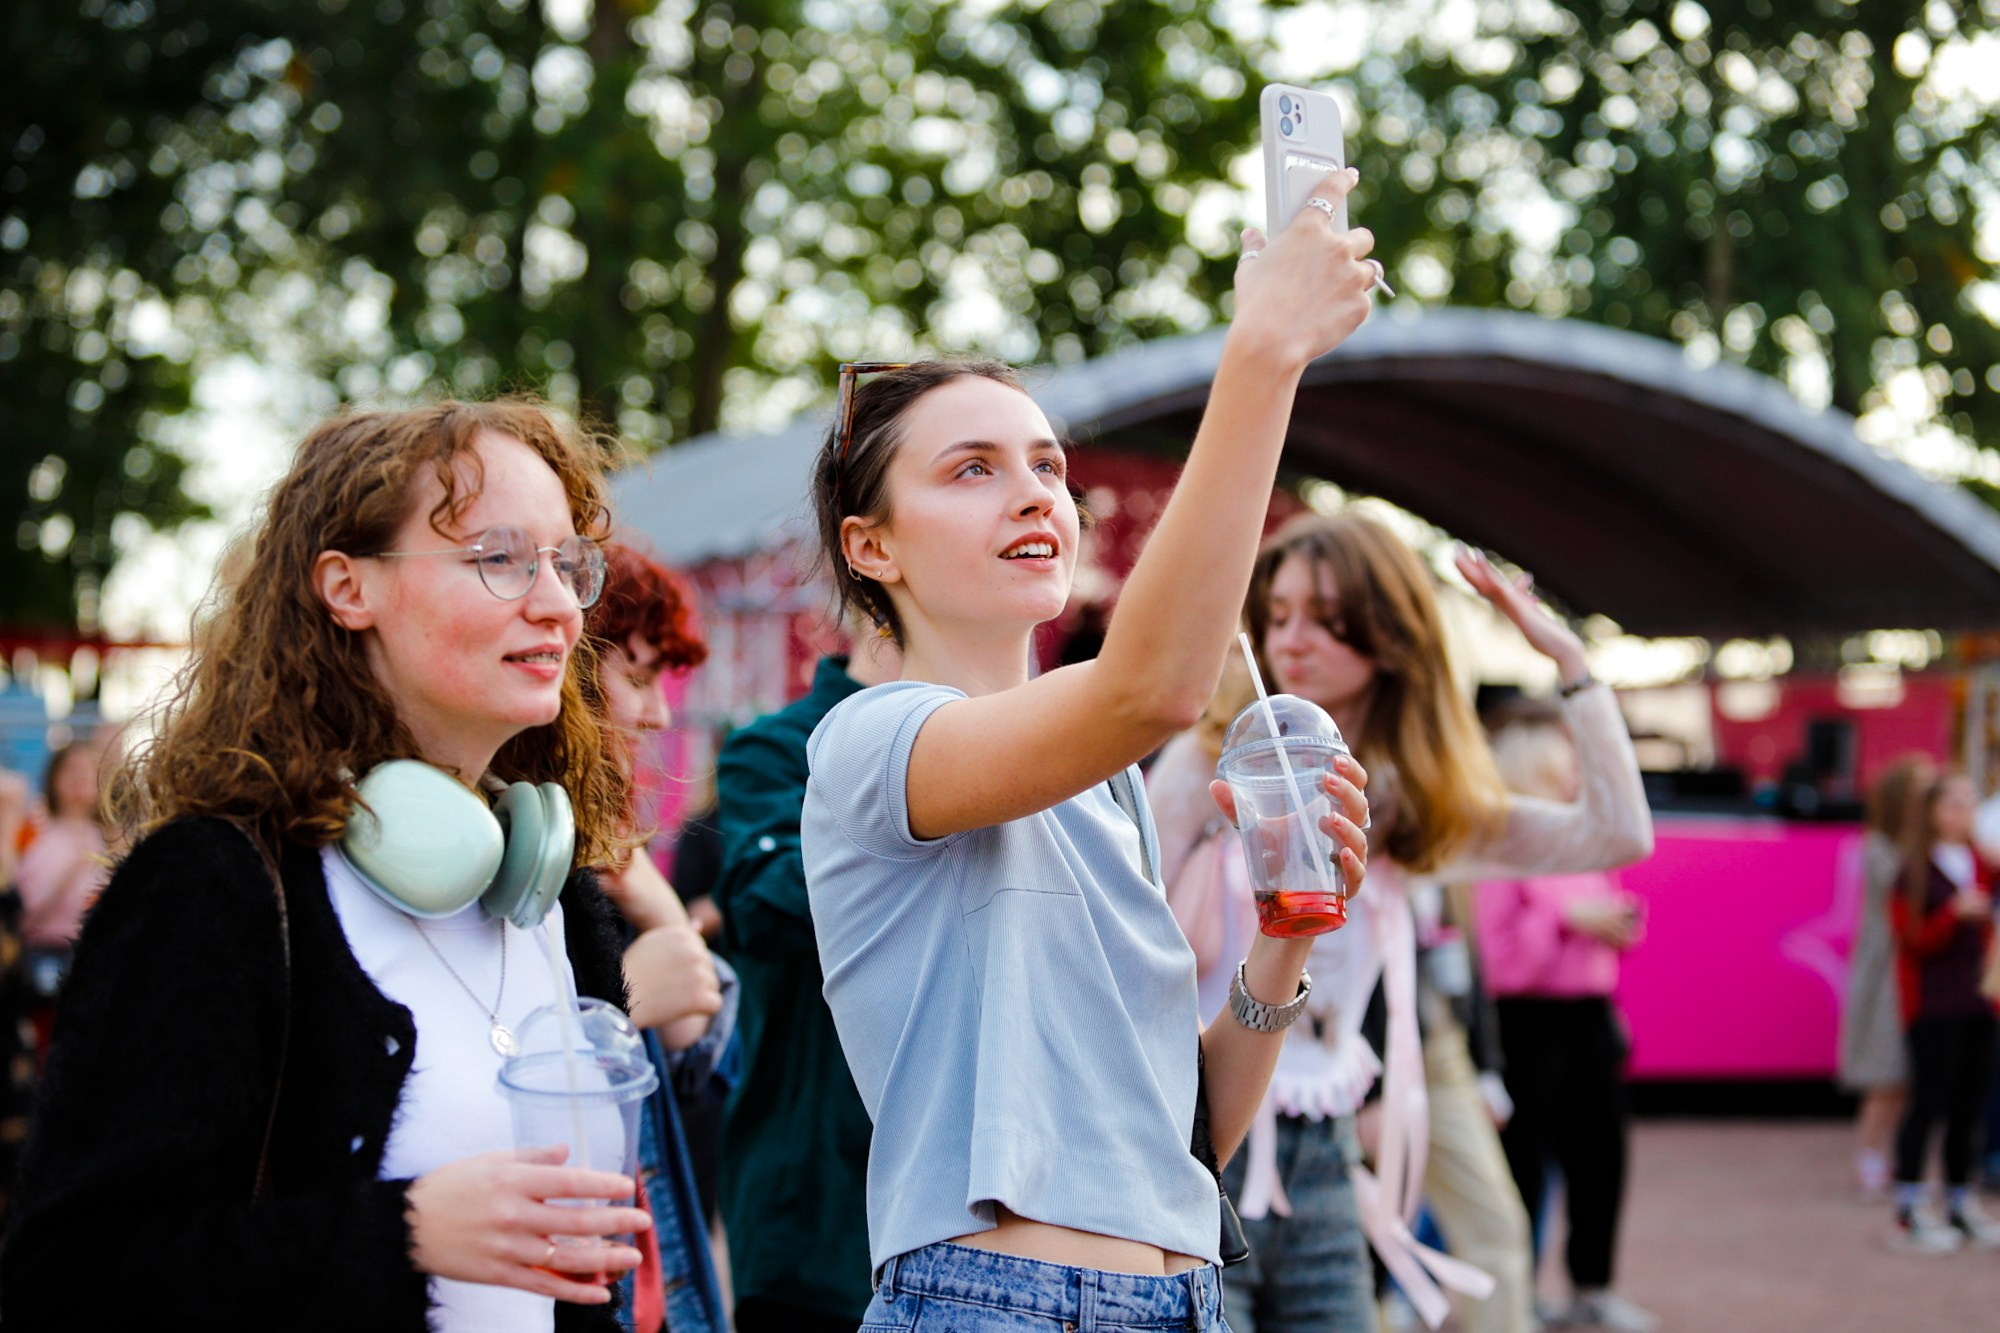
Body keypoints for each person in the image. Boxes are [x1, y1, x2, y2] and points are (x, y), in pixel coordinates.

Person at [803, 171, 1378, 1333]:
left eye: (1047, 467)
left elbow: (1192, 1138)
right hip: (993, 1304)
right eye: (972, 469)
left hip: (1183, 1296)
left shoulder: (1107, 782)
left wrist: (1283, 938)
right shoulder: (869, 743)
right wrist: (1261, 354)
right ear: (871, 548)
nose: (1033, 495)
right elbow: (1151, 686)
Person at [1, 400, 658, 1331]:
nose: (558, 602)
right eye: (501, 558)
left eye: (567, 563)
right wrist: (400, 1232)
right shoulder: (214, 889)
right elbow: (70, 1278)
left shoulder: (552, 896)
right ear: (349, 588)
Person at [1180, 512, 1651, 1333]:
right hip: (1208, 1119)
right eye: (1278, 614)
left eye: (1326, 617)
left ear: (1387, 633)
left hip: (1337, 1117)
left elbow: (1616, 835)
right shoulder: (1217, 760)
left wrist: (1571, 665)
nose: (1292, 639)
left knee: (1488, 1237)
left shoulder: (1416, 800)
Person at [712, 620, 901, 1333]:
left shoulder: (1020, 745)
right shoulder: (777, 747)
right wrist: (929, 798)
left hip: (987, 1230)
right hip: (818, 1224)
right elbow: (766, 909)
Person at [590, 540, 740, 1333]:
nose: (659, 713)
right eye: (639, 677)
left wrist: (664, 914)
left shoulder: (611, 857)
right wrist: (622, 1007)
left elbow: (704, 1050)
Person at [1473, 704, 1652, 1331]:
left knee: (1602, 1156)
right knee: (1521, 1162)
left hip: (1589, 1016)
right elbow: (1498, 962)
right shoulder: (1500, 845)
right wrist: (1566, 920)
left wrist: (1612, 925)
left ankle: (1593, 1287)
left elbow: (1608, 921)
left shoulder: (1583, 840)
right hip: (1525, 1023)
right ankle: (1518, 1294)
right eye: (1566, 755)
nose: (1578, 767)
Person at [1888, 771, 2000, 1252]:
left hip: (1980, 999)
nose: (1964, 812)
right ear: (1933, 811)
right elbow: (1910, 938)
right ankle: (1910, 1206)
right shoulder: (1914, 870)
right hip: (1932, 1004)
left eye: (1970, 803)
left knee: (1969, 1106)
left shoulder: (1983, 863)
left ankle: (1959, 1199)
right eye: (1954, 803)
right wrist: (1954, 913)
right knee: (1928, 1102)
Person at [1840, 757, 1933, 1197]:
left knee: (1905, 1073)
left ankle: (1886, 1154)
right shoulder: (1881, 846)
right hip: (1888, 966)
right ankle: (1869, 1154)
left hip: (1913, 963)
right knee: (1885, 1069)